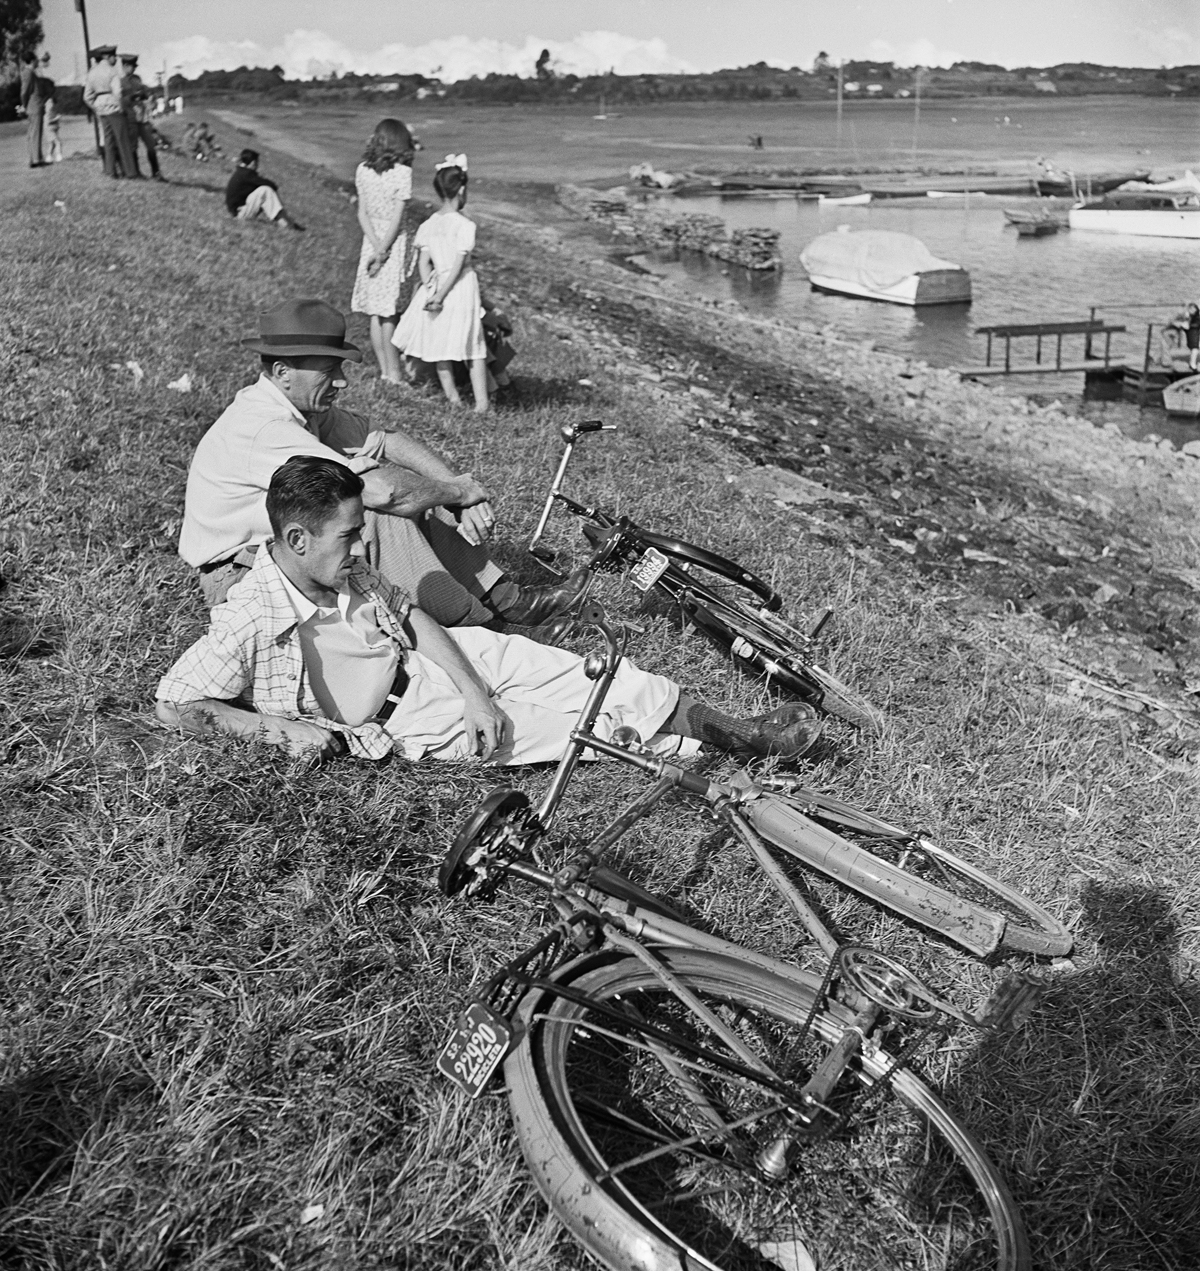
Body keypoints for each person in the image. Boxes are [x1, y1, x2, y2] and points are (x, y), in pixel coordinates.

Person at [156, 457, 821, 766]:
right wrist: (277, 733)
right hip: (410, 717)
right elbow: (175, 701)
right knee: (568, 734)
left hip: (439, 659)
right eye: (349, 534)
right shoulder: (250, 612)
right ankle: (709, 750)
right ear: (296, 539)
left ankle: (737, 730)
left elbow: (411, 615)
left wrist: (475, 687)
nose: (362, 544)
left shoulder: (340, 565)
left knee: (581, 675)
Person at [179, 297, 587, 628]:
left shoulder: (300, 408)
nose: (342, 381)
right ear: (283, 371)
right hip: (237, 575)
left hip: (286, 552)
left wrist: (453, 486)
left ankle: (508, 603)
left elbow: (386, 441)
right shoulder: (264, 427)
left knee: (418, 491)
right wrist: (457, 492)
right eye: (329, 370)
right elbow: (381, 491)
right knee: (376, 512)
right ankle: (482, 631)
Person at [393, 155, 490, 413]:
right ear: (461, 189)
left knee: (441, 344)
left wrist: (431, 289)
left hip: (436, 285)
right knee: (472, 343)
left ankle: (454, 399)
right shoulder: (464, 225)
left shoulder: (429, 224)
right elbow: (458, 266)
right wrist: (443, 294)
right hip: (459, 287)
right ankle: (481, 403)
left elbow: (423, 263)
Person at [351, 119, 416, 386]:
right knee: (389, 311)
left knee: (377, 312)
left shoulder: (363, 169)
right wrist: (384, 250)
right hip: (392, 242)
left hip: (371, 239)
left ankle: (385, 371)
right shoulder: (402, 172)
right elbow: (397, 219)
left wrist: (375, 246)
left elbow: (362, 212)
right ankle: (395, 374)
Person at [83, 45, 138, 179]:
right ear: (108, 57)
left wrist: (95, 107)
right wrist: (121, 107)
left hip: (101, 108)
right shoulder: (112, 71)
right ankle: (130, 172)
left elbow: (87, 96)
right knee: (122, 139)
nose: (115, 59)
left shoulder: (92, 72)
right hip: (113, 106)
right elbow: (118, 92)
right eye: (114, 56)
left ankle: (110, 170)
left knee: (108, 141)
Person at [225, 148, 303, 230]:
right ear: (253, 163)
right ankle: (287, 223)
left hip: (239, 211)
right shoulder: (246, 174)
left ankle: (288, 222)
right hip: (240, 214)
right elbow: (271, 184)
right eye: (257, 162)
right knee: (265, 190)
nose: (257, 165)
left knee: (264, 189)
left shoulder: (242, 172)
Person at [120, 55, 164, 182]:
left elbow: (146, 92)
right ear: (124, 67)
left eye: (133, 67)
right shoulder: (120, 82)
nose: (131, 69)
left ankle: (156, 173)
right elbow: (120, 100)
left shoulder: (137, 79)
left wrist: (148, 95)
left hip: (142, 118)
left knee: (151, 144)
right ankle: (136, 172)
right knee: (133, 146)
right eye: (129, 66)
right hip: (130, 117)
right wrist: (131, 97)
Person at [18, 51, 46, 169]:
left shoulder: (30, 72)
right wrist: (23, 105)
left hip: (34, 105)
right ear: (32, 60)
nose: (37, 62)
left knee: (35, 132)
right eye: (35, 60)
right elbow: (25, 91)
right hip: (33, 105)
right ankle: (36, 159)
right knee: (35, 133)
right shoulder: (28, 73)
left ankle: (37, 157)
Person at [41, 78, 62, 163]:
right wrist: (56, 118)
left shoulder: (49, 101)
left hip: (52, 125)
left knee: (52, 143)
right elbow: (49, 115)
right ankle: (58, 155)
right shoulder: (49, 102)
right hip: (50, 125)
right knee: (58, 142)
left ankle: (49, 156)